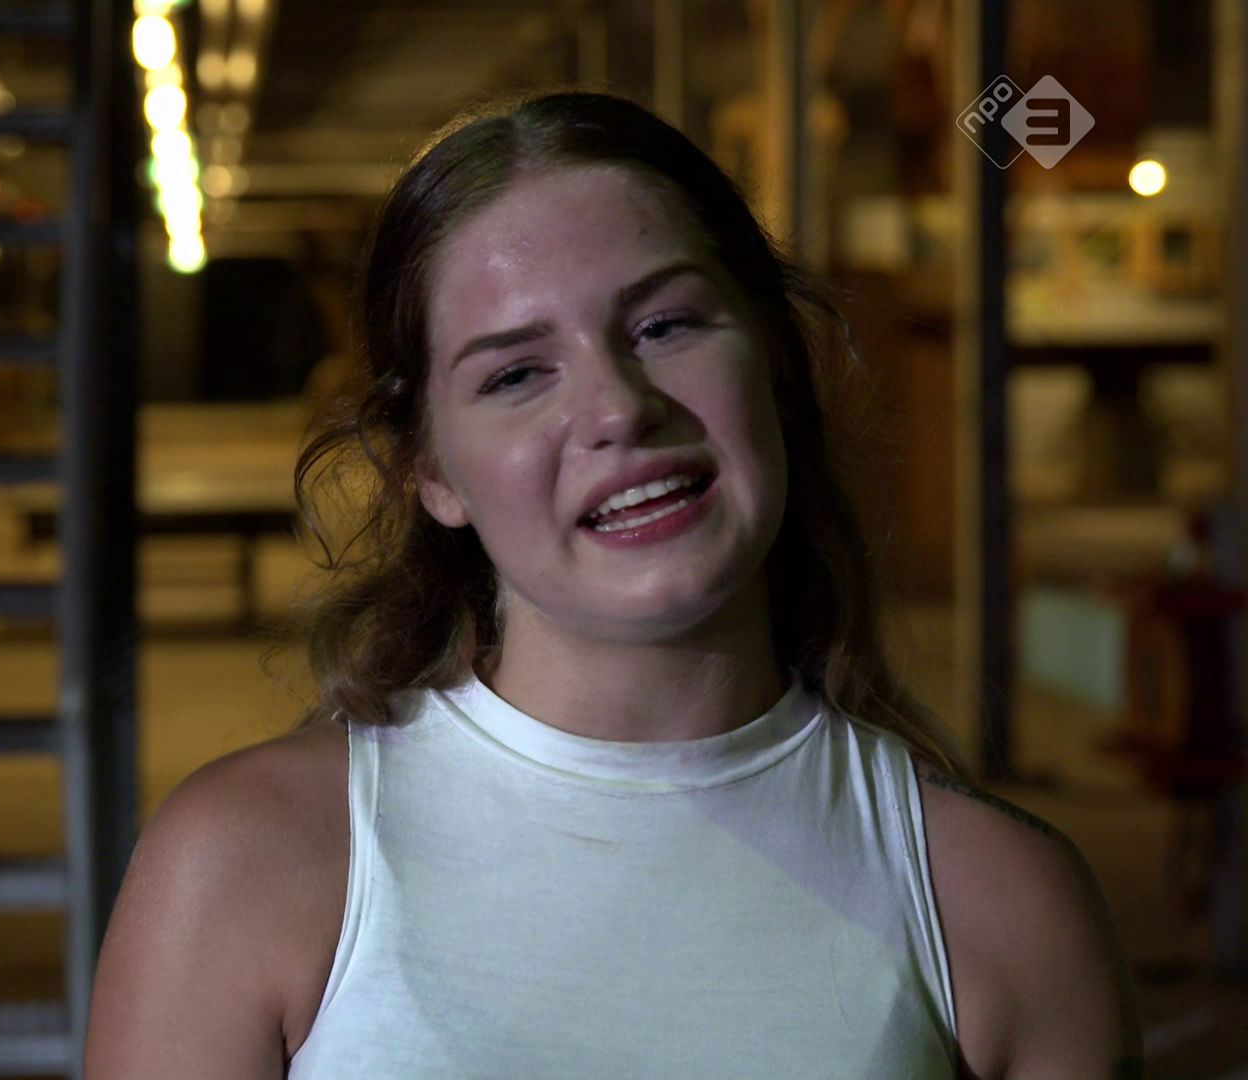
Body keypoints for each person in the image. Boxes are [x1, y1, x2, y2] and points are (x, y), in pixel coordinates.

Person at [84, 90, 1142, 1079]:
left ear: (777, 363)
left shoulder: (1004, 907)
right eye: (516, 373)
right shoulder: (245, 869)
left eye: (664, 326)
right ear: (431, 473)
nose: (619, 408)